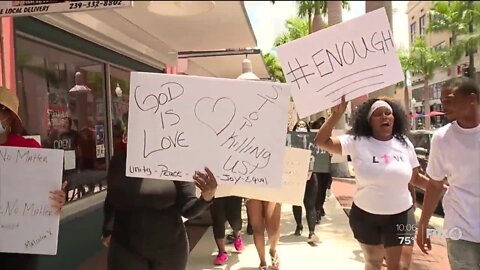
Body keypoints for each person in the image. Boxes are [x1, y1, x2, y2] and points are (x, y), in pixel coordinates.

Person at [315, 96, 429, 270]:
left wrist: (441, 188)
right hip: (365, 216)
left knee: (400, 265)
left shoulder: (404, 143)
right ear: (368, 121)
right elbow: (321, 142)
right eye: (378, 114)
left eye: (388, 113)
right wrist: (335, 116)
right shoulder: (356, 141)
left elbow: (415, 178)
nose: (385, 117)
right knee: (373, 263)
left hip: (402, 215)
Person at [101, 151, 218, 270]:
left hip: (170, 249)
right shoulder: (120, 161)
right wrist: (107, 229)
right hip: (126, 247)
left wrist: (205, 199)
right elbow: (111, 198)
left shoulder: (177, 162)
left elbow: (188, 208)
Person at [417, 77, 479, 270]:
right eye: (443, 102)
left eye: (450, 100)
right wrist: (423, 223)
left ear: (472, 99)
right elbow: (434, 184)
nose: (445, 106)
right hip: (460, 229)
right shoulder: (442, 138)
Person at [0, 87, 66, 270]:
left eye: (2, 110)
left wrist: (58, 199)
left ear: (10, 118)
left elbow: (45, 192)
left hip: (21, 244)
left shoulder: (28, 148)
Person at [291, 121, 320, 243]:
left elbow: (319, 157)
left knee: (310, 204)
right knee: (296, 203)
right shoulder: (290, 142)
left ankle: (312, 232)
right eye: (298, 125)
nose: (301, 127)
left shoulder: (314, 142)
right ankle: (299, 225)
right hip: (295, 177)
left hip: (311, 177)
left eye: (303, 125)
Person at [246, 199, 281, 270]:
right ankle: (262, 261)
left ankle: (272, 250)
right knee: (257, 228)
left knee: (274, 228)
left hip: (273, 189)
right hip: (251, 189)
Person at [310, 117, 332, 223]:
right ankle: (316, 210)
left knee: (322, 190)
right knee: (315, 190)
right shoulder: (310, 139)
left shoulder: (330, 138)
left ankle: (319, 208)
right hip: (313, 169)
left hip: (325, 169)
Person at [210, 196, 243, 265]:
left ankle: (237, 236)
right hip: (216, 191)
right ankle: (222, 252)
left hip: (232, 190)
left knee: (235, 218)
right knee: (217, 218)